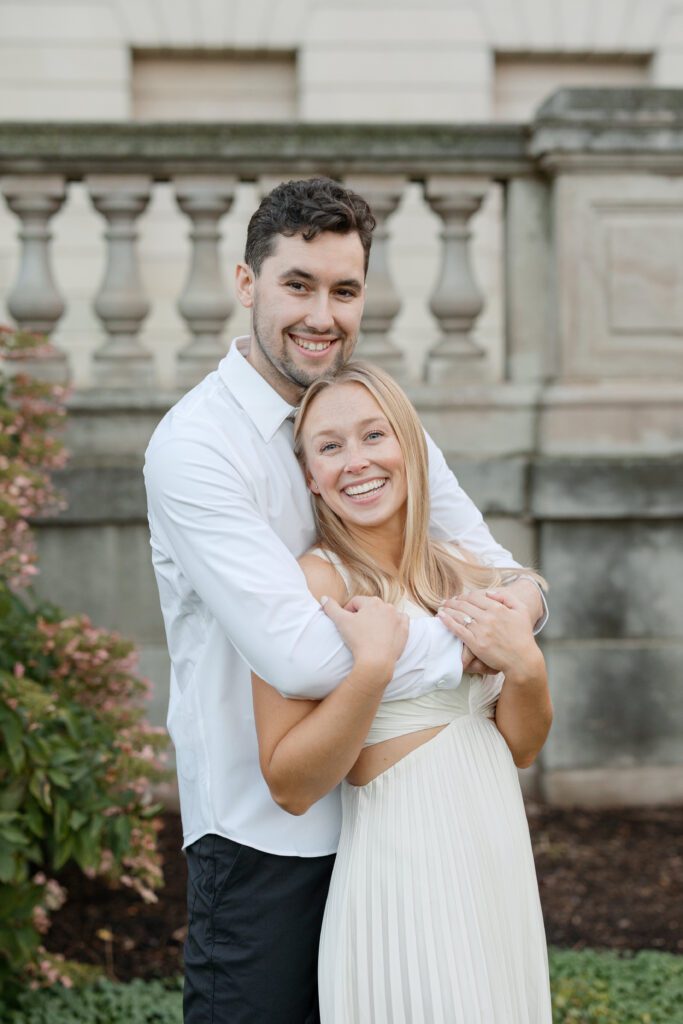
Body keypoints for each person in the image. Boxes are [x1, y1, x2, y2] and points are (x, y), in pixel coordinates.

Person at [143, 177, 547, 1023]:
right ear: (247, 284)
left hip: (405, 824)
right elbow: (300, 655)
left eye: (344, 289)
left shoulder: (377, 423)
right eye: (297, 284)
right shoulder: (195, 449)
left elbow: (503, 572)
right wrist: (481, 635)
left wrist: (519, 612)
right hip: (267, 837)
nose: (321, 313)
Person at [251, 360, 553, 1022]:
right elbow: (289, 783)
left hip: (495, 857)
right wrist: (371, 669)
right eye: (329, 447)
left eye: (373, 436)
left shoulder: (467, 574)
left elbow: (522, 747)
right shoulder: (314, 586)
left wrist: (524, 666)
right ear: (311, 478)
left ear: (410, 449)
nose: (355, 462)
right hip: (405, 872)